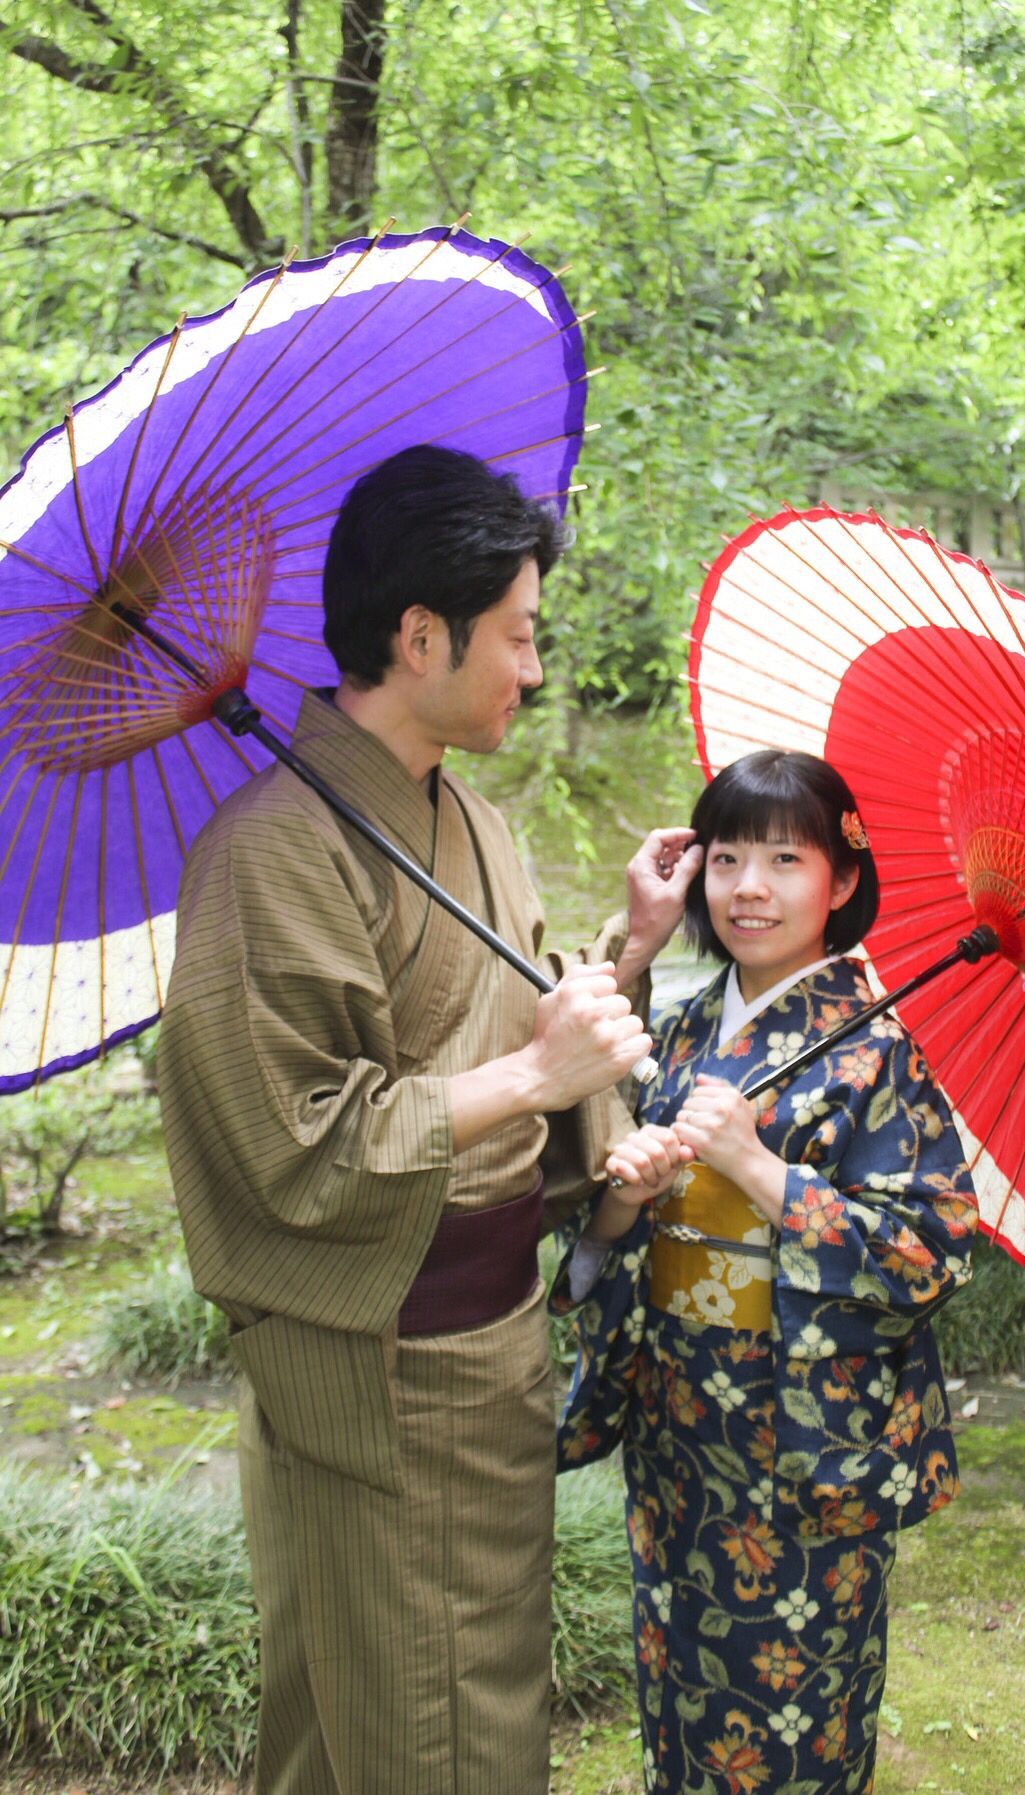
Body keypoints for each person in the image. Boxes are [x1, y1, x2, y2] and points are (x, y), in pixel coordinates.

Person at [157, 444, 703, 1795]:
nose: (534, 668)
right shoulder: (267, 849)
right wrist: (535, 1081)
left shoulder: (475, 824)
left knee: (442, 1696)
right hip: (378, 1370)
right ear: (419, 636)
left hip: (488, 1353)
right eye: (516, 634)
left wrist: (626, 952)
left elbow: (508, 1025)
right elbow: (294, 1137)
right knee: (405, 1713)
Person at [554, 749, 978, 1795]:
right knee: (678, 1674)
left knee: (796, 1705)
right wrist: (624, 1202)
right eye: (728, 857)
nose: (749, 887)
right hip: (678, 1424)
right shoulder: (687, 1027)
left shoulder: (877, 1054)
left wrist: (757, 1168)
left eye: (785, 859)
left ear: (842, 879)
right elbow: (605, 1225)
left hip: (798, 1448)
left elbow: (931, 1245)